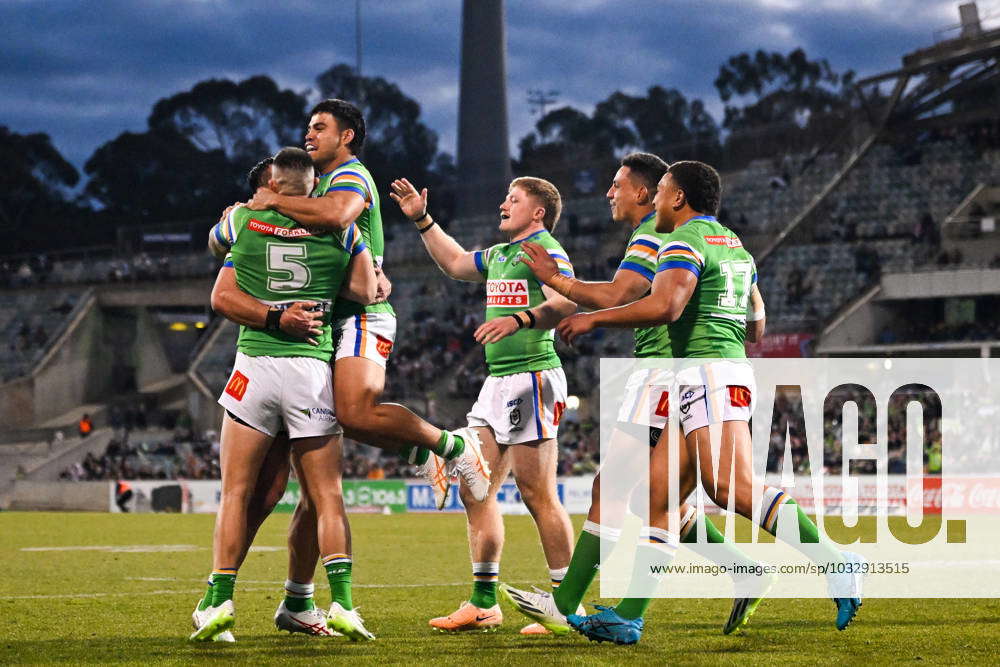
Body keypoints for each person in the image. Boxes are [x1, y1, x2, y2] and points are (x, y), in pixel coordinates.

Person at [553, 161, 863, 643]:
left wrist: (594, 320)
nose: (654, 201)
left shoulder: (683, 240)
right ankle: (629, 616)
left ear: (679, 199)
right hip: (710, 372)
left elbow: (666, 306)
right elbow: (757, 324)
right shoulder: (735, 245)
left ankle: (836, 562)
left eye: (661, 193)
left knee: (728, 486)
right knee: (663, 498)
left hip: (706, 373)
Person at [502, 153, 767, 636]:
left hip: (664, 374)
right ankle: (742, 571)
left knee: (632, 491)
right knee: (661, 499)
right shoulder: (697, 235)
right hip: (673, 370)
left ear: (645, 193)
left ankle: (576, 605)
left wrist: (556, 280)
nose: (609, 193)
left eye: (617, 184)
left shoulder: (653, 233)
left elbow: (616, 295)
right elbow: (753, 310)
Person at [246, 99, 488, 510]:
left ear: (347, 136)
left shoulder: (351, 176)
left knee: (355, 413)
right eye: (308, 127)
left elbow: (340, 215)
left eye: (320, 127)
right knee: (337, 418)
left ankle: (454, 444)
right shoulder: (317, 187)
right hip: (329, 320)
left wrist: (270, 202)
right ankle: (418, 452)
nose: (309, 134)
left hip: (363, 315)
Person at [190, 147, 379, 643]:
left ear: (270, 183)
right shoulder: (343, 228)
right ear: (314, 186)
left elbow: (215, 256)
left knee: (236, 492)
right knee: (327, 495)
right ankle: (343, 603)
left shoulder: (246, 219)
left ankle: (219, 600)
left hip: (254, 365)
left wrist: (248, 214)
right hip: (311, 369)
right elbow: (366, 289)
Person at [390, 175, 577, 633]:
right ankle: (483, 602)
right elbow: (454, 262)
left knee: (537, 495)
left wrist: (520, 319)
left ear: (538, 213)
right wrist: (422, 220)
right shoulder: (500, 255)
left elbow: (566, 302)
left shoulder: (545, 250)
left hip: (533, 376)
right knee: (475, 489)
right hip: (498, 383)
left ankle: (570, 609)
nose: (502, 203)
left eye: (513, 199)